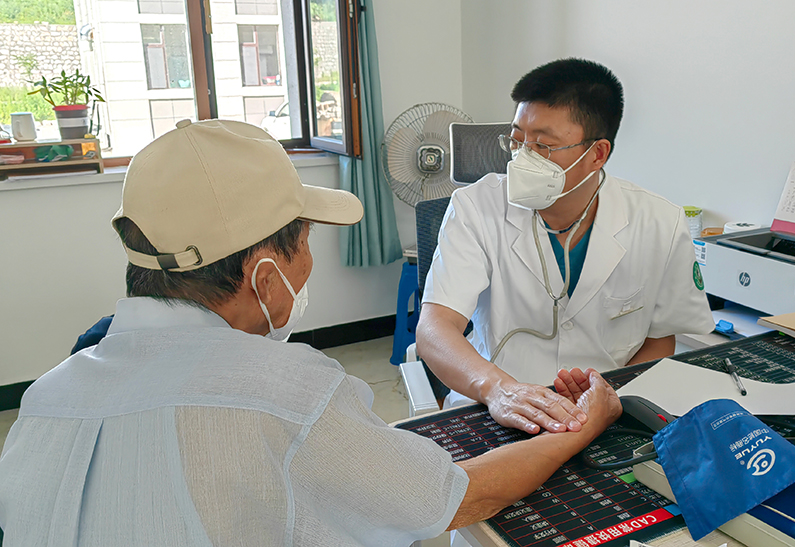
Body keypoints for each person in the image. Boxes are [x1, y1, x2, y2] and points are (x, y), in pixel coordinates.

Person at [0, 119, 622, 546]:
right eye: (304, 242)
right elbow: (456, 496)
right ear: (264, 273)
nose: (308, 265)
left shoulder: (46, 397)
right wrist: (583, 425)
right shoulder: (289, 393)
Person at [417, 58, 714, 435]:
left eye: (543, 145)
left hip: (607, 410)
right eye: (517, 140)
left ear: (597, 154)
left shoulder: (659, 222)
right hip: (494, 405)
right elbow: (435, 328)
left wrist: (607, 401)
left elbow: (660, 338)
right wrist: (499, 389)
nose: (522, 158)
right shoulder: (476, 207)